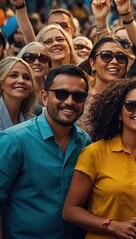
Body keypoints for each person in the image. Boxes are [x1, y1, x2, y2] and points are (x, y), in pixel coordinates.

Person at [62, 78, 136, 239]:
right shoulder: (94, 153)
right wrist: (110, 225)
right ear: (118, 112)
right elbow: (70, 211)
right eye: (131, 105)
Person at [0, 65, 91, 238]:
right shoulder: (14, 140)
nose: (70, 102)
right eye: (61, 94)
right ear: (44, 97)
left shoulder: (85, 142)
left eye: (78, 96)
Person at [76, 38, 130, 138]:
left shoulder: (131, 97)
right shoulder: (78, 95)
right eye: (106, 55)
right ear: (92, 63)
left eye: (120, 57)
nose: (114, 61)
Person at [0, 57, 36, 130]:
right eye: (13, 75)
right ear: (1, 83)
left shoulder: (33, 122)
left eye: (26, 77)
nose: (21, 81)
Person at [17, 42, 51, 115]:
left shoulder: (55, 88)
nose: (37, 62)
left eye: (43, 58)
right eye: (30, 58)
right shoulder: (17, 90)